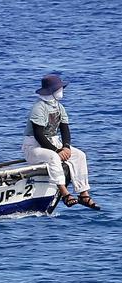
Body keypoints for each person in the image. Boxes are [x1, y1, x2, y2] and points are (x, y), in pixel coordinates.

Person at [22, 74, 100, 210]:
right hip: (34, 147)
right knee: (54, 158)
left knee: (79, 155)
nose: (61, 91)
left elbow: (65, 129)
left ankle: (83, 194)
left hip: (54, 143)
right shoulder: (39, 108)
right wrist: (57, 151)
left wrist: (66, 147)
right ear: (51, 91)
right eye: (59, 89)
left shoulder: (59, 107)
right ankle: (64, 193)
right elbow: (38, 134)